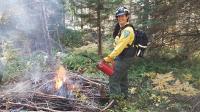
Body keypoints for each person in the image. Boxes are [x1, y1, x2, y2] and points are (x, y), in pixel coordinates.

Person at [103, 6, 135, 100]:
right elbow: (117, 45)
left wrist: (108, 58)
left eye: (122, 16)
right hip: (122, 58)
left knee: (114, 78)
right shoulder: (122, 29)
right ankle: (124, 98)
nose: (120, 18)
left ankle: (116, 102)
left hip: (125, 58)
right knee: (123, 78)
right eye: (118, 16)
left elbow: (119, 47)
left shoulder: (127, 31)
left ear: (127, 16)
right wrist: (114, 59)